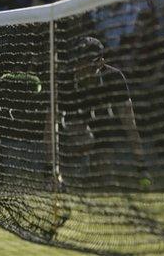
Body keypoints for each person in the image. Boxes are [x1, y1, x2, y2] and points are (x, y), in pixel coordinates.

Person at [59, 37, 150, 191]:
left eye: (86, 63)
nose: (80, 68)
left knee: (104, 183)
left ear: (100, 63)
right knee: (83, 139)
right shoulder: (63, 79)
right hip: (71, 133)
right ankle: (73, 168)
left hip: (102, 130)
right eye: (78, 62)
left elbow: (130, 125)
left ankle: (90, 170)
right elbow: (50, 125)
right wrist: (51, 171)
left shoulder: (114, 78)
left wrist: (142, 167)